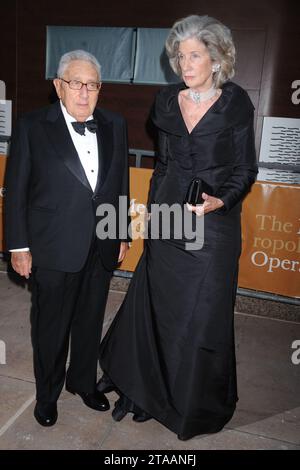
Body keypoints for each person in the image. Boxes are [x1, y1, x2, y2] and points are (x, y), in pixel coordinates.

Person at [98, 15, 258, 441]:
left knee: (201, 314)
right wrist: (152, 216)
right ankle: (142, 392)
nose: (184, 65)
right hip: (168, 217)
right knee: (157, 307)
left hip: (215, 225)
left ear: (217, 58)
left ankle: (185, 400)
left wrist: (220, 199)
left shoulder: (236, 103)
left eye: (195, 56)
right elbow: (163, 165)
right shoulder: (167, 101)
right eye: (180, 56)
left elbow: (246, 168)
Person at [5, 50, 130, 427]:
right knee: (51, 327)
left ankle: (82, 383)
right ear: (59, 86)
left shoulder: (115, 124)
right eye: (76, 83)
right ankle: (47, 395)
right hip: (53, 245)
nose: (84, 92)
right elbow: (16, 191)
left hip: (102, 243)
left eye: (92, 85)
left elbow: (119, 183)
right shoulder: (32, 126)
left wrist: (122, 232)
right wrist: (18, 245)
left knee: (90, 320)